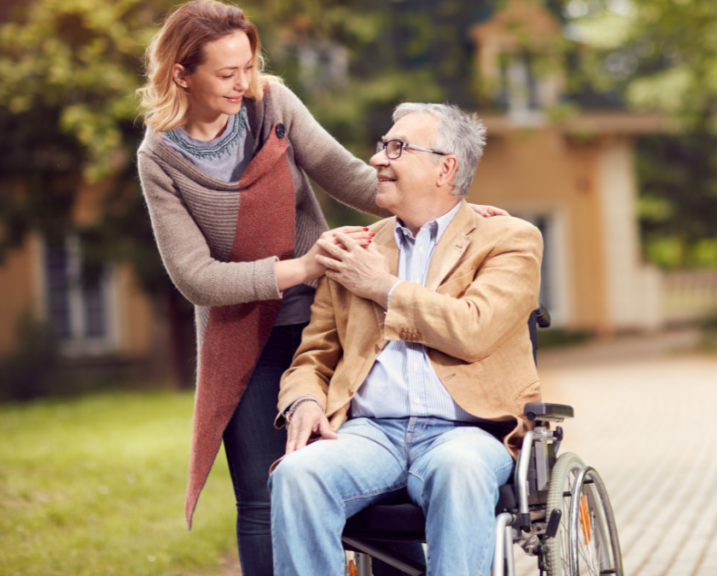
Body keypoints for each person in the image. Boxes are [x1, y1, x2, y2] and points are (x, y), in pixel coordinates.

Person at [134, 2, 506, 574]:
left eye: (249, 66)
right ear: (182, 74)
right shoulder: (160, 158)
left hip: (328, 316)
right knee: (263, 497)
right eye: (226, 74)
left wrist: (445, 204)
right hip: (244, 335)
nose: (243, 84)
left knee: (379, 467)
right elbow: (196, 278)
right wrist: (303, 268)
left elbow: (348, 174)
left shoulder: (271, 104)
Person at [269, 102, 544, 575]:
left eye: (396, 147)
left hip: (467, 432)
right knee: (296, 474)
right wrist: (304, 403)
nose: (378, 159)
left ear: (446, 167)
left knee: (459, 471)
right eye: (381, 147)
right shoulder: (355, 246)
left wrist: (383, 288)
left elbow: (473, 329)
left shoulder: (510, 239)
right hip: (369, 433)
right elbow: (312, 359)